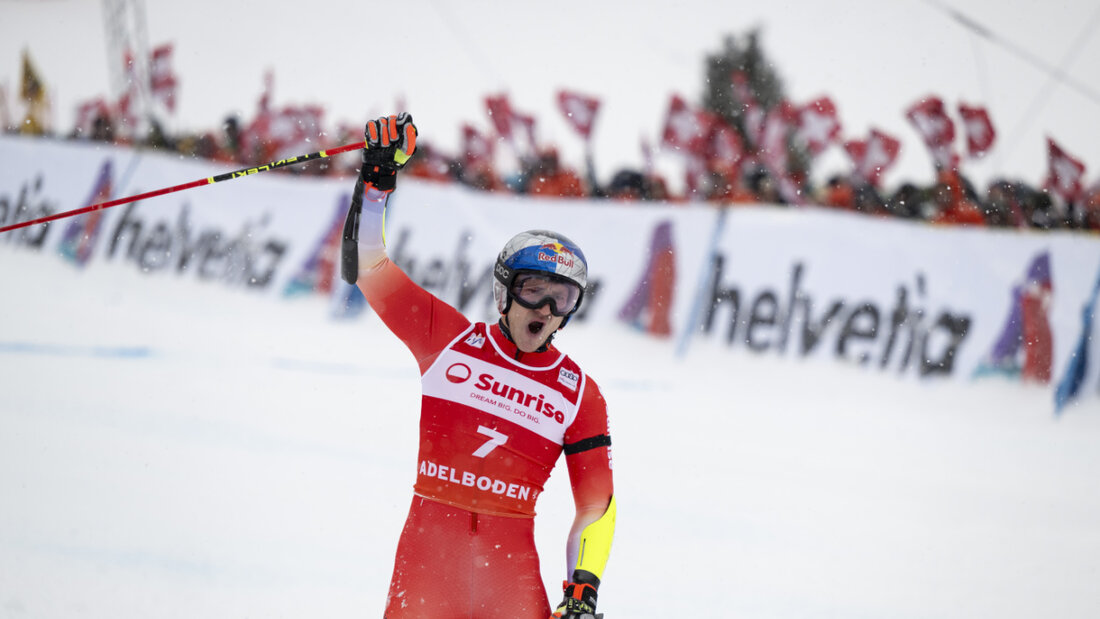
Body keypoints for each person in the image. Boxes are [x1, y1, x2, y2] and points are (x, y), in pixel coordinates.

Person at [341, 114, 615, 619]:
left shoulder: (580, 393)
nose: (546, 311)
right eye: (534, 290)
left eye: (563, 299)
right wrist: (377, 182)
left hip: (509, 583)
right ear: (504, 290)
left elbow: (595, 505)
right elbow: (368, 264)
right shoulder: (447, 339)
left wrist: (583, 591)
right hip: (428, 566)